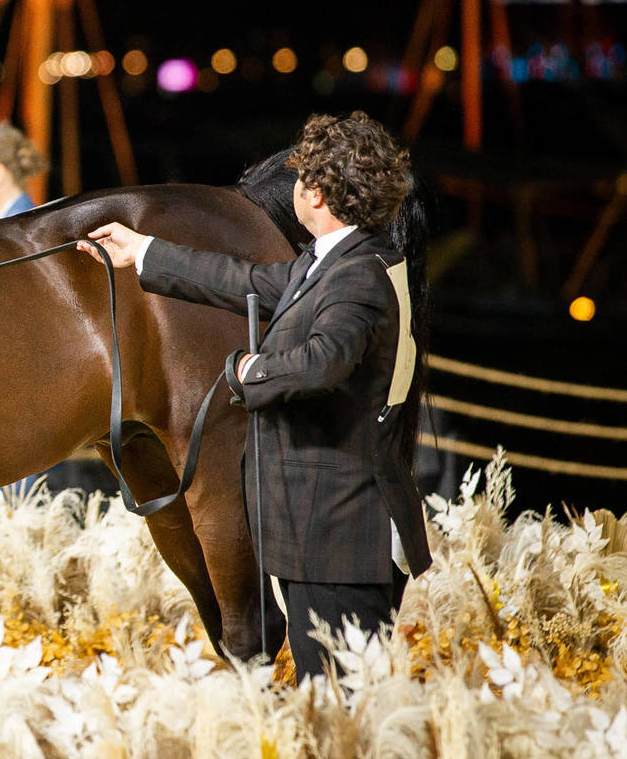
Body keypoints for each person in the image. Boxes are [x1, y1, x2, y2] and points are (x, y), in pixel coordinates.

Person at [79, 111, 431, 681]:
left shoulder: (356, 277)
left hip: (342, 534)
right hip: (325, 528)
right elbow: (241, 279)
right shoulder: (333, 263)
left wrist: (250, 374)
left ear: (315, 192)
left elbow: (324, 363)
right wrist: (142, 251)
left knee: (338, 696)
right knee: (331, 692)